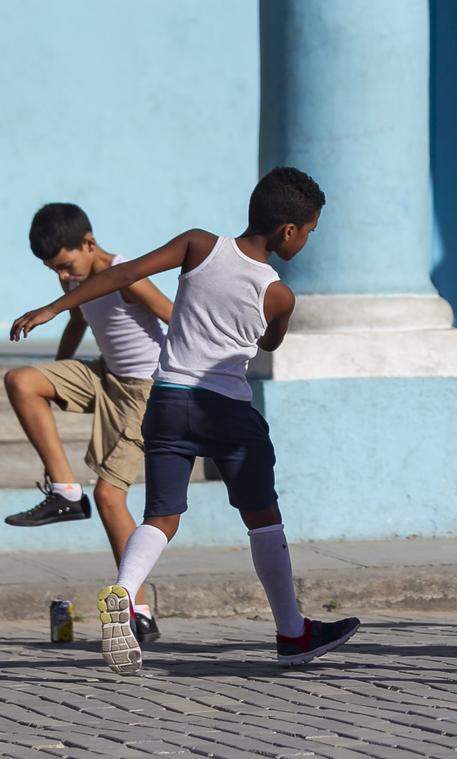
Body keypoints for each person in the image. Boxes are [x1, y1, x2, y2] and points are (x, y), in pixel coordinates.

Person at [10, 167, 360, 675]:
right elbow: (269, 343)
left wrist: (53, 307)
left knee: (161, 517)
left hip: (167, 401)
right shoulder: (278, 294)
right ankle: (292, 631)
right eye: (309, 230)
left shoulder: (198, 244)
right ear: (289, 232)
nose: (307, 238)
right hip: (227, 410)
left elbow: (120, 275)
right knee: (263, 519)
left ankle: (125, 592)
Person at [5, 203, 171, 641]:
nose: (63, 278)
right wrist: (54, 379)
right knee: (22, 380)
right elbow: (80, 320)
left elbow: (177, 318)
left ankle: (139, 609)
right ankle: (64, 492)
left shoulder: (129, 277)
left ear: (89, 243)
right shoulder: (81, 283)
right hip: (103, 373)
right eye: (53, 271)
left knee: (110, 496)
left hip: (144, 391)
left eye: (65, 265)